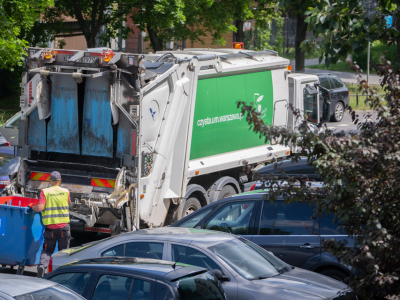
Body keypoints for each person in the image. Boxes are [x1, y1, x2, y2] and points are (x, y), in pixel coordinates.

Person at [29, 171, 70, 278]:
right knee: (64, 251)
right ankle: (63, 272)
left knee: (47, 249)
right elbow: (67, 203)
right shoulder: (66, 191)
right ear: (60, 180)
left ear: (50, 180)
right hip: (64, 227)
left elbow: (40, 208)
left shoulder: (45, 192)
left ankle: (42, 266)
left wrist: (32, 206)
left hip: (50, 228)